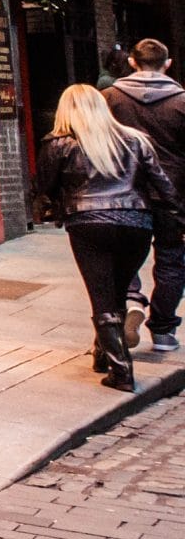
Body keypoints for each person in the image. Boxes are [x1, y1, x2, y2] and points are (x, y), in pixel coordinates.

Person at [31, 82, 178, 393]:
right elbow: (164, 188)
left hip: (88, 223)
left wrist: (50, 207)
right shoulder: (137, 141)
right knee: (119, 289)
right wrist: (176, 220)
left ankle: (121, 371)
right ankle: (102, 354)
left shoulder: (59, 144)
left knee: (101, 295)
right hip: (137, 222)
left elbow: (44, 186)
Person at [102, 39, 185, 355]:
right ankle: (163, 330)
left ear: (133, 63)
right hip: (171, 194)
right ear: (167, 64)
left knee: (122, 255)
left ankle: (132, 298)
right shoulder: (182, 102)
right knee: (171, 259)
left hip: (123, 190)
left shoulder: (110, 99)